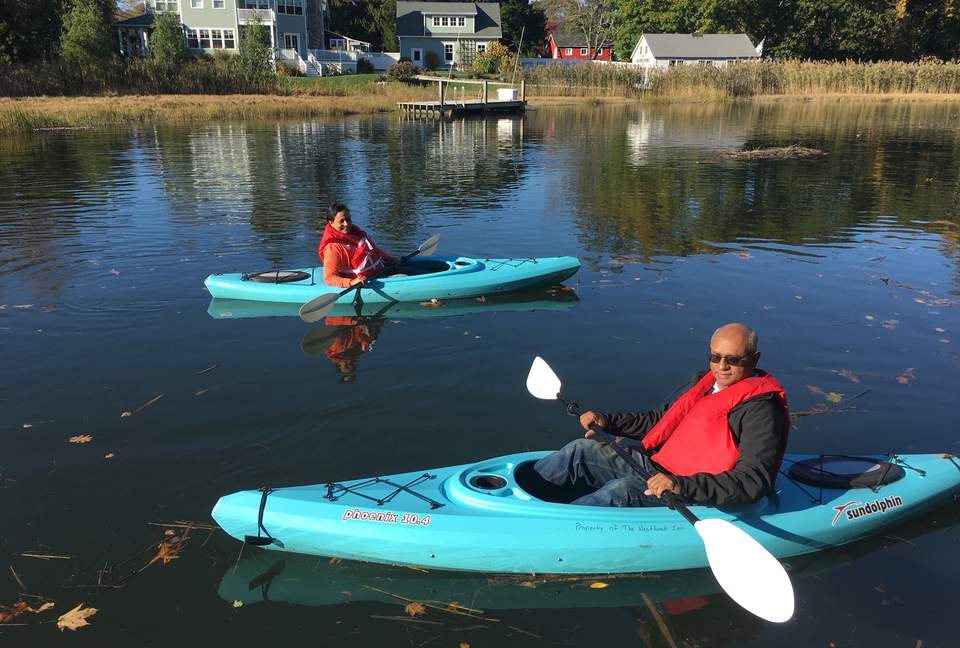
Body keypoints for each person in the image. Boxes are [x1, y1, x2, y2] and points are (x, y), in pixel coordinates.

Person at [533, 323, 789, 507]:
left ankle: (551, 530)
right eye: (715, 356)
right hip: (659, 468)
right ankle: (525, 497)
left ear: (754, 359)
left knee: (621, 491)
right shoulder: (704, 384)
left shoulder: (763, 411)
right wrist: (607, 421)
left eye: (733, 359)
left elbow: (753, 480)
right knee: (581, 449)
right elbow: (660, 421)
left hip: (692, 492)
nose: (722, 366)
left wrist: (681, 486)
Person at [319, 203, 398, 289]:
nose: (346, 224)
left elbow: (375, 250)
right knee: (403, 276)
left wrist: (391, 259)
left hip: (380, 271)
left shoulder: (356, 234)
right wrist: (352, 282)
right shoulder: (333, 248)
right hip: (367, 282)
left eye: (348, 219)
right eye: (341, 221)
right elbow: (329, 278)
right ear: (331, 223)